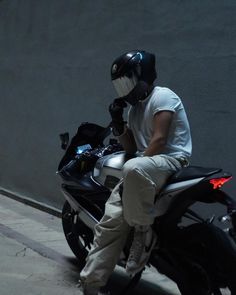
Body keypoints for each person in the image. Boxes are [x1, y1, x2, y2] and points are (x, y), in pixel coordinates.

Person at [80, 50, 192, 295]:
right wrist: (118, 121)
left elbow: (159, 140)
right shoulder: (135, 110)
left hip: (170, 160)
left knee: (131, 167)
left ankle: (143, 232)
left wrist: (135, 168)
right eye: (120, 85)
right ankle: (91, 284)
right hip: (144, 167)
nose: (125, 89)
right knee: (108, 224)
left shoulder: (163, 95)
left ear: (143, 75)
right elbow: (131, 147)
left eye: (127, 81)